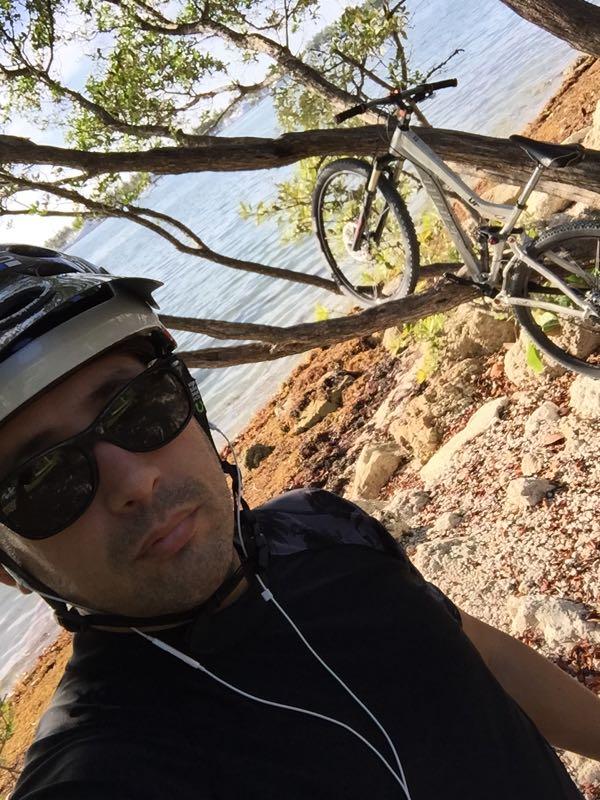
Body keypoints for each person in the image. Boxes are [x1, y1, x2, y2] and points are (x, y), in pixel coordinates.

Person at [0, 245, 597, 800]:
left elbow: (478, 655)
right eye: (43, 479)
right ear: (7, 567)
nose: (134, 483)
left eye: (138, 405)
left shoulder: (324, 527)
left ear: (189, 398)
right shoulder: (98, 769)